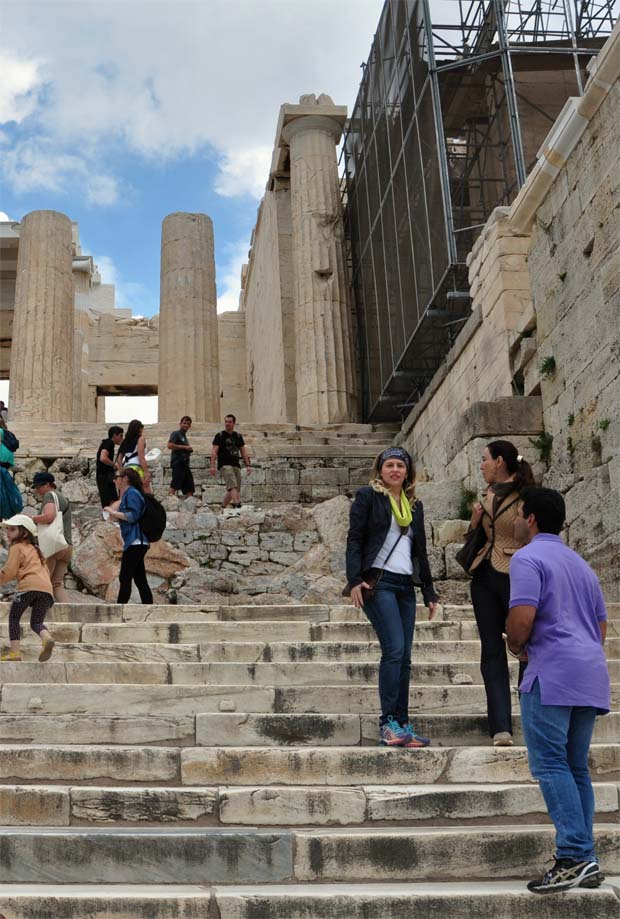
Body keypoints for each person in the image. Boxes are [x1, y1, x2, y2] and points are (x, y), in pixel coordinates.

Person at [506, 487, 610, 894]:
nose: (515, 521)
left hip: (550, 672)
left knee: (549, 765)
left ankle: (574, 856)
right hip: (588, 672)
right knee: (575, 767)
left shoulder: (528, 558)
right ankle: (587, 859)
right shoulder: (582, 565)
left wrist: (516, 645)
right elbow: (600, 626)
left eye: (518, 515)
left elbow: (522, 616)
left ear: (531, 519)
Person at [345, 447, 439, 747]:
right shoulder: (368, 497)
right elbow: (355, 539)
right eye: (389, 465)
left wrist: (429, 591)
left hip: (405, 585)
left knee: (406, 658)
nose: (395, 470)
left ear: (407, 472)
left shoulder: (414, 504)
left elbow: (420, 550)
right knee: (394, 649)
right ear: (380, 470)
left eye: (400, 465)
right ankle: (388, 723)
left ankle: (402, 723)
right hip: (379, 583)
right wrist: (355, 580)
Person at [468, 440, 535, 746]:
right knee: (491, 650)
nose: (481, 465)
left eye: (484, 460)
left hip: (517, 574)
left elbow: (531, 534)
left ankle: (533, 716)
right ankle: (500, 727)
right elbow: (479, 537)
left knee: (525, 647)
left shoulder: (527, 496)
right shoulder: (487, 495)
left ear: (499, 462)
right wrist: (475, 520)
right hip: (484, 575)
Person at [0, 514, 56, 662]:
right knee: (36, 622)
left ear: (24, 532)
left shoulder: (16, 548)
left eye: (12, 530)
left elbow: (9, 571)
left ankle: (15, 653)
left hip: (28, 587)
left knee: (14, 618)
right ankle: (46, 637)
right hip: (46, 590)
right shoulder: (36, 549)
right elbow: (46, 571)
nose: (8, 533)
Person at [104, 467, 153, 605]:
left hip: (135, 540)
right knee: (139, 578)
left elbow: (133, 516)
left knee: (125, 576)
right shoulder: (130, 494)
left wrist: (113, 513)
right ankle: (148, 606)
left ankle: (120, 608)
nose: (115, 480)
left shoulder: (132, 493)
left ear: (125, 479)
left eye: (117, 477)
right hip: (137, 541)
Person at [31, 472, 72, 603]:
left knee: (43, 582)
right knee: (56, 584)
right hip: (66, 546)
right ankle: (68, 615)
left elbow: (49, 516)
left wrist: (32, 518)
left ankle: (39, 616)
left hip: (53, 546)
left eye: (38, 487)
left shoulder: (50, 496)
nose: (37, 491)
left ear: (47, 484)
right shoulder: (62, 497)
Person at [210, 414, 251, 508]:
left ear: (234, 423)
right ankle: (237, 504)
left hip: (236, 464)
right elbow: (214, 451)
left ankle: (223, 506)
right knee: (232, 485)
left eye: (229, 422)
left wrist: (248, 465)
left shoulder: (238, 436)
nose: (227, 424)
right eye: (226, 422)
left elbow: (243, 452)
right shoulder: (219, 436)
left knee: (234, 488)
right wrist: (212, 465)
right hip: (224, 464)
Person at [116, 419, 151, 494]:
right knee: (147, 494)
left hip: (126, 469)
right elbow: (141, 457)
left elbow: (119, 459)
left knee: (124, 496)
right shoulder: (140, 439)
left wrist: (121, 471)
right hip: (137, 469)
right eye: (141, 428)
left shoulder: (125, 441)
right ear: (139, 428)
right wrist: (146, 473)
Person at [96, 425, 124, 507]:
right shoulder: (109, 443)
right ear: (115, 435)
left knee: (106, 501)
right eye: (121, 436)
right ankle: (112, 518)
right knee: (112, 500)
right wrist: (114, 465)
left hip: (102, 476)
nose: (122, 438)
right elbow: (103, 457)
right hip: (105, 476)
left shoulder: (106, 443)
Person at [167, 416, 194, 497]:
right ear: (180, 424)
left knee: (189, 486)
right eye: (184, 423)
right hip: (178, 462)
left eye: (188, 424)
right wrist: (185, 447)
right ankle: (169, 500)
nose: (185, 425)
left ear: (190, 426)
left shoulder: (184, 436)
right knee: (175, 483)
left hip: (185, 464)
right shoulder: (176, 433)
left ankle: (190, 503)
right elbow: (169, 445)